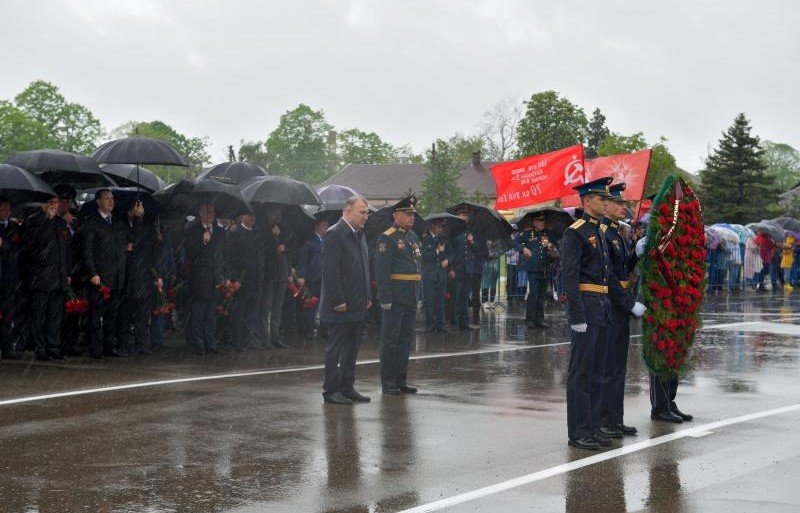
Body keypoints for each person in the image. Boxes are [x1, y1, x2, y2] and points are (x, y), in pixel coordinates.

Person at [561, 177, 645, 450]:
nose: (606, 203)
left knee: (596, 372)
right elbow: (570, 277)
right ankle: (578, 432)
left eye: (607, 199)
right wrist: (577, 316)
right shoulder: (575, 232)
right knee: (580, 374)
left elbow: (607, 275)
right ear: (586, 202)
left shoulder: (597, 232)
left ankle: (593, 426)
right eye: (601, 199)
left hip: (601, 308)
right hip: (586, 307)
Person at [635, 238, 694, 424]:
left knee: (673, 356)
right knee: (660, 355)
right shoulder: (650, 241)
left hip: (676, 304)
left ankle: (669, 401)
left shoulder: (678, 241)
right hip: (657, 304)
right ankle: (660, 407)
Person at [319, 197, 372, 405]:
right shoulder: (334, 234)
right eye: (362, 212)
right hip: (340, 305)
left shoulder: (359, 235)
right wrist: (338, 299)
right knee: (336, 349)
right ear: (347, 212)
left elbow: (364, 269)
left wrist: (367, 295)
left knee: (352, 349)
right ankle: (331, 390)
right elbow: (330, 271)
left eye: (367, 213)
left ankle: (347, 387)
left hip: (358, 303)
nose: (365, 217)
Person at [599, 183, 639, 438]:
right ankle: (605, 420)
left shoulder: (617, 234)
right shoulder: (603, 233)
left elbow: (624, 267)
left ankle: (615, 419)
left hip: (621, 304)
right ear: (606, 205)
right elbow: (609, 276)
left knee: (618, 367)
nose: (624, 208)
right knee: (607, 366)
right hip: (612, 305)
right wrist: (627, 302)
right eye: (619, 204)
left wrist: (637, 252)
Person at [375, 195, 423, 395]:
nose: (412, 217)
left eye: (413, 214)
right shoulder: (387, 237)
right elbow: (382, 270)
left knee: (405, 339)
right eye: (407, 213)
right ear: (397, 215)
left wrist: (419, 295)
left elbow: (417, 268)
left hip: (410, 295)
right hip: (395, 295)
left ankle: (401, 380)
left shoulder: (412, 236)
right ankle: (388, 382)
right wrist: (385, 297)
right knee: (390, 340)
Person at [20, 196, 72, 360]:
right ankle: (40, 347)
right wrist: (45, 219)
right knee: (39, 315)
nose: (54, 206)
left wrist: (67, 272)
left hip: (59, 276)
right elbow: (33, 245)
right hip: (40, 278)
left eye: (56, 203)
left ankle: (53, 346)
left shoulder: (61, 222)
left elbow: (66, 249)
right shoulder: (34, 220)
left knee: (55, 316)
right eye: (51, 203)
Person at [81, 189, 128, 358]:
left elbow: (130, 240)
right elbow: (87, 251)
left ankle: (110, 346)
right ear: (98, 202)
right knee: (96, 315)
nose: (110, 201)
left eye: (112, 198)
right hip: (100, 277)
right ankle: (96, 348)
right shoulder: (92, 223)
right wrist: (92, 272)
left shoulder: (117, 222)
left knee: (112, 314)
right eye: (106, 198)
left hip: (117, 276)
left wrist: (137, 218)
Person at [118, 199, 162, 355]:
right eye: (137, 207)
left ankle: (141, 344)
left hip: (143, 275)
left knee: (143, 313)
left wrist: (157, 274)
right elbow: (131, 240)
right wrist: (136, 220)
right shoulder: (121, 225)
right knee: (125, 313)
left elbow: (154, 250)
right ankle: (124, 344)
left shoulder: (147, 227)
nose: (140, 210)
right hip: (126, 275)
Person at [184, 203, 228, 355]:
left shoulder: (220, 231)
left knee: (211, 314)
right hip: (199, 278)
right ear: (201, 212)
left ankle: (211, 343)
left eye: (213, 211)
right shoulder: (192, 229)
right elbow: (190, 252)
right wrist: (203, 241)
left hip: (215, 278)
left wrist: (224, 276)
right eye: (208, 211)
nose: (211, 214)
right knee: (198, 313)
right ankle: (198, 344)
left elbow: (222, 255)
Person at [225, 213, 265, 350]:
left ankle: (251, 341)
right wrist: (235, 278)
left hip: (255, 280)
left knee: (252, 313)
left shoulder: (257, 234)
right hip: (242, 281)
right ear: (242, 217)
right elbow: (231, 259)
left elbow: (260, 256)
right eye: (248, 215)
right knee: (239, 313)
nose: (252, 218)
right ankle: (238, 341)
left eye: (254, 216)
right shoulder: (235, 234)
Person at [517, 212, 558, 329]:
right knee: (533, 294)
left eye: (543, 221)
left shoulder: (548, 233)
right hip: (533, 268)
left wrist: (550, 246)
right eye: (539, 221)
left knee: (542, 295)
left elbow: (556, 246)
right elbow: (516, 242)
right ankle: (530, 319)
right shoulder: (528, 233)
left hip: (546, 267)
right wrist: (523, 248)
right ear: (534, 222)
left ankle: (540, 319)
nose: (542, 223)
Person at [259, 205, 289, 348]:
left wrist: (280, 237)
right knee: (266, 308)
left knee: (278, 307)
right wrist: (273, 238)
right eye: (274, 213)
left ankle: (275, 337)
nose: (277, 216)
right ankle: (265, 338)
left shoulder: (284, 229)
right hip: (269, 275)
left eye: (279, 213)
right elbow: (262, 250)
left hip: (281, 274)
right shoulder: (263, 230)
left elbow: (288, 249)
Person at [0, 198, 24, 359]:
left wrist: (6, 245)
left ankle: (7, 346)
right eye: (3, 209)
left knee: (9, 315)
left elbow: (20, 248)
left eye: (8, 209)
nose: (6, 212)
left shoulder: (15, 227)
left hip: (10, 277)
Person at [450, 207, 479, 331]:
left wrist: (472, 242)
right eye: (462, 214)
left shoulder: (470, 231)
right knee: (456, 296)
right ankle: (455, 322)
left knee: (465, 297)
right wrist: (451, 268)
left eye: (466, 215)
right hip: (457, 268)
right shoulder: (453, 231)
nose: (465, 217)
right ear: (457, 216)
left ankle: (464, 322)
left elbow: (476, 249)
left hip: (468, 268)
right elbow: (449, 250)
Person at [298, 218, 328, 335]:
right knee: (312, 303)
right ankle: (309, 328)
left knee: (325, 304)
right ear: (316, 226)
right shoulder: (310, 243)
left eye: (327, 225)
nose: (325, 227)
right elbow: (303, 261)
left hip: (326, 278)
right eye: (323, 225)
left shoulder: (329, 241)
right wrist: (302, 275)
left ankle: (324, 328)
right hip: (313, 278)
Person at [420, 218, 451, 333]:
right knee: (430, 300)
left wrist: (446, 259)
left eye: (442, 227)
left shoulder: (442, 239)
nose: (441, 229)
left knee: (440, 301)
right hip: (429, 274)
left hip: (441, 274)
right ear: (432, 226)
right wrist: (437, 251)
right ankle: (430, 324)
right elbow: (423, 257)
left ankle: (440, 324)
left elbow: (448, 253)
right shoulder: (425, 239)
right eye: (439, 226)